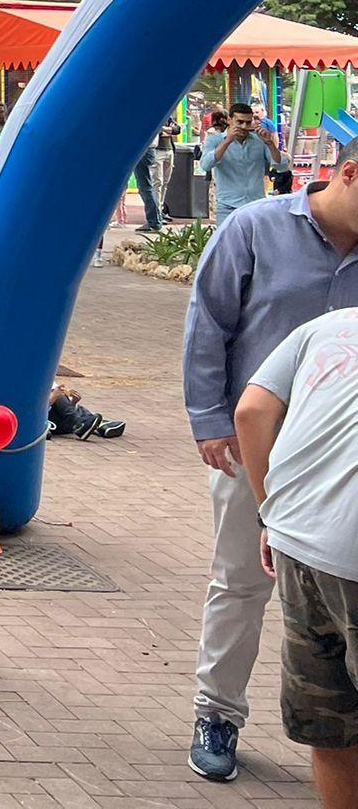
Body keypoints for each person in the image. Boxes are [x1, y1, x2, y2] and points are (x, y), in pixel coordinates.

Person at [180, 136, 358, 783]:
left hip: (345, 454)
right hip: (254, 441)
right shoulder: (254, 227)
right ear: (348, 173)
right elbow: (209, 324)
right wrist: (208, 419)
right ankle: (217, 713)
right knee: (242, 581)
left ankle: (337, 738)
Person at [234, 304, 358, 807]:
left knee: (332, 724)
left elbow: (251, 412)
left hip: (301, 539)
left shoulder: (328, 326)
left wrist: (270, 511)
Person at [201, 102, 288, 225]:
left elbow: (281, 165)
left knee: (256, 243)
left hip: (255, 205)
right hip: (227, 206)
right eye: (240, 122)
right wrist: (227, 141)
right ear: (229, 120)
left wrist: (270, 143)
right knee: (228, 243)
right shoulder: (215, 140)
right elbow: (206, 165)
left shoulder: (259, 141)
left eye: (248, 122)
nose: (244, 126)